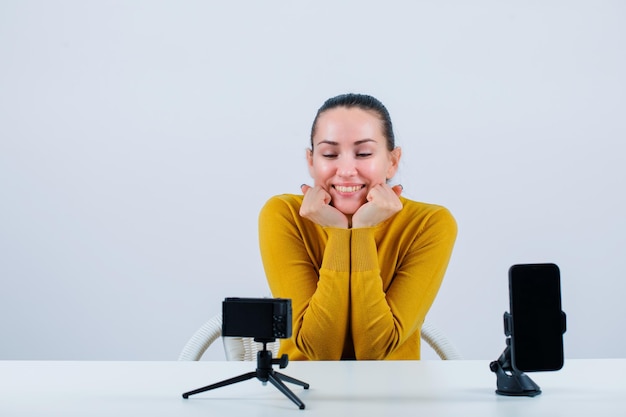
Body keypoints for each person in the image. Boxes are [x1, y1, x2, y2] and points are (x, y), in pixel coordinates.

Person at [258, 93, 457, 360]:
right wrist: (339, 233)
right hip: (303, 394)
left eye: (363, 153)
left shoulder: (429, 223)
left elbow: (375, 351)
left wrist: (361, 232)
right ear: (311, 161)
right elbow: (319, 350)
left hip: (394, 396)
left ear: (392, 161)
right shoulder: (285, 215)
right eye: (330, 154)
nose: (347, 169)